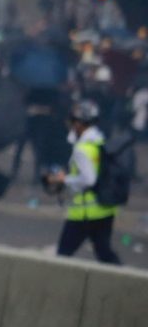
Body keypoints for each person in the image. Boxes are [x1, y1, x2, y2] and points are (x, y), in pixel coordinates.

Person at [45, 100, 121, 265]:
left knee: (63, 255)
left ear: (79, 123)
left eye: (72, 121)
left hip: (84, 212)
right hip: (104, 209)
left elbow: (89, 179)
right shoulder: (99, 141)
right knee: (105, 252)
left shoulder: (82, 149)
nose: (71, 125)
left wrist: (63, 179)